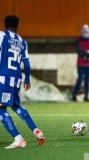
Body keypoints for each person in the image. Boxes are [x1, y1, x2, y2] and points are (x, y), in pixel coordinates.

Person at [0, 15, 45, 149]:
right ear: (17, 27)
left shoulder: (2, 36)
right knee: (16, 106)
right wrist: (27, 78)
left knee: (1, 109)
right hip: (16, 78)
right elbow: (26, 62)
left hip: (4, 78)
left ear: (4, 25)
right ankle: (36, 131)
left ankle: (18, 138)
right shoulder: (22, 42)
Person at [72, 24, 89, 102]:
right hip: (81, 64)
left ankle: (86, 96)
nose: (85, 34)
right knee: (80, 79)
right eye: (84, 32)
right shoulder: (79, 41)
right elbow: (79, 51)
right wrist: (85, 55)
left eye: (87, 32)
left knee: (87, 80)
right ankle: (74, 95)